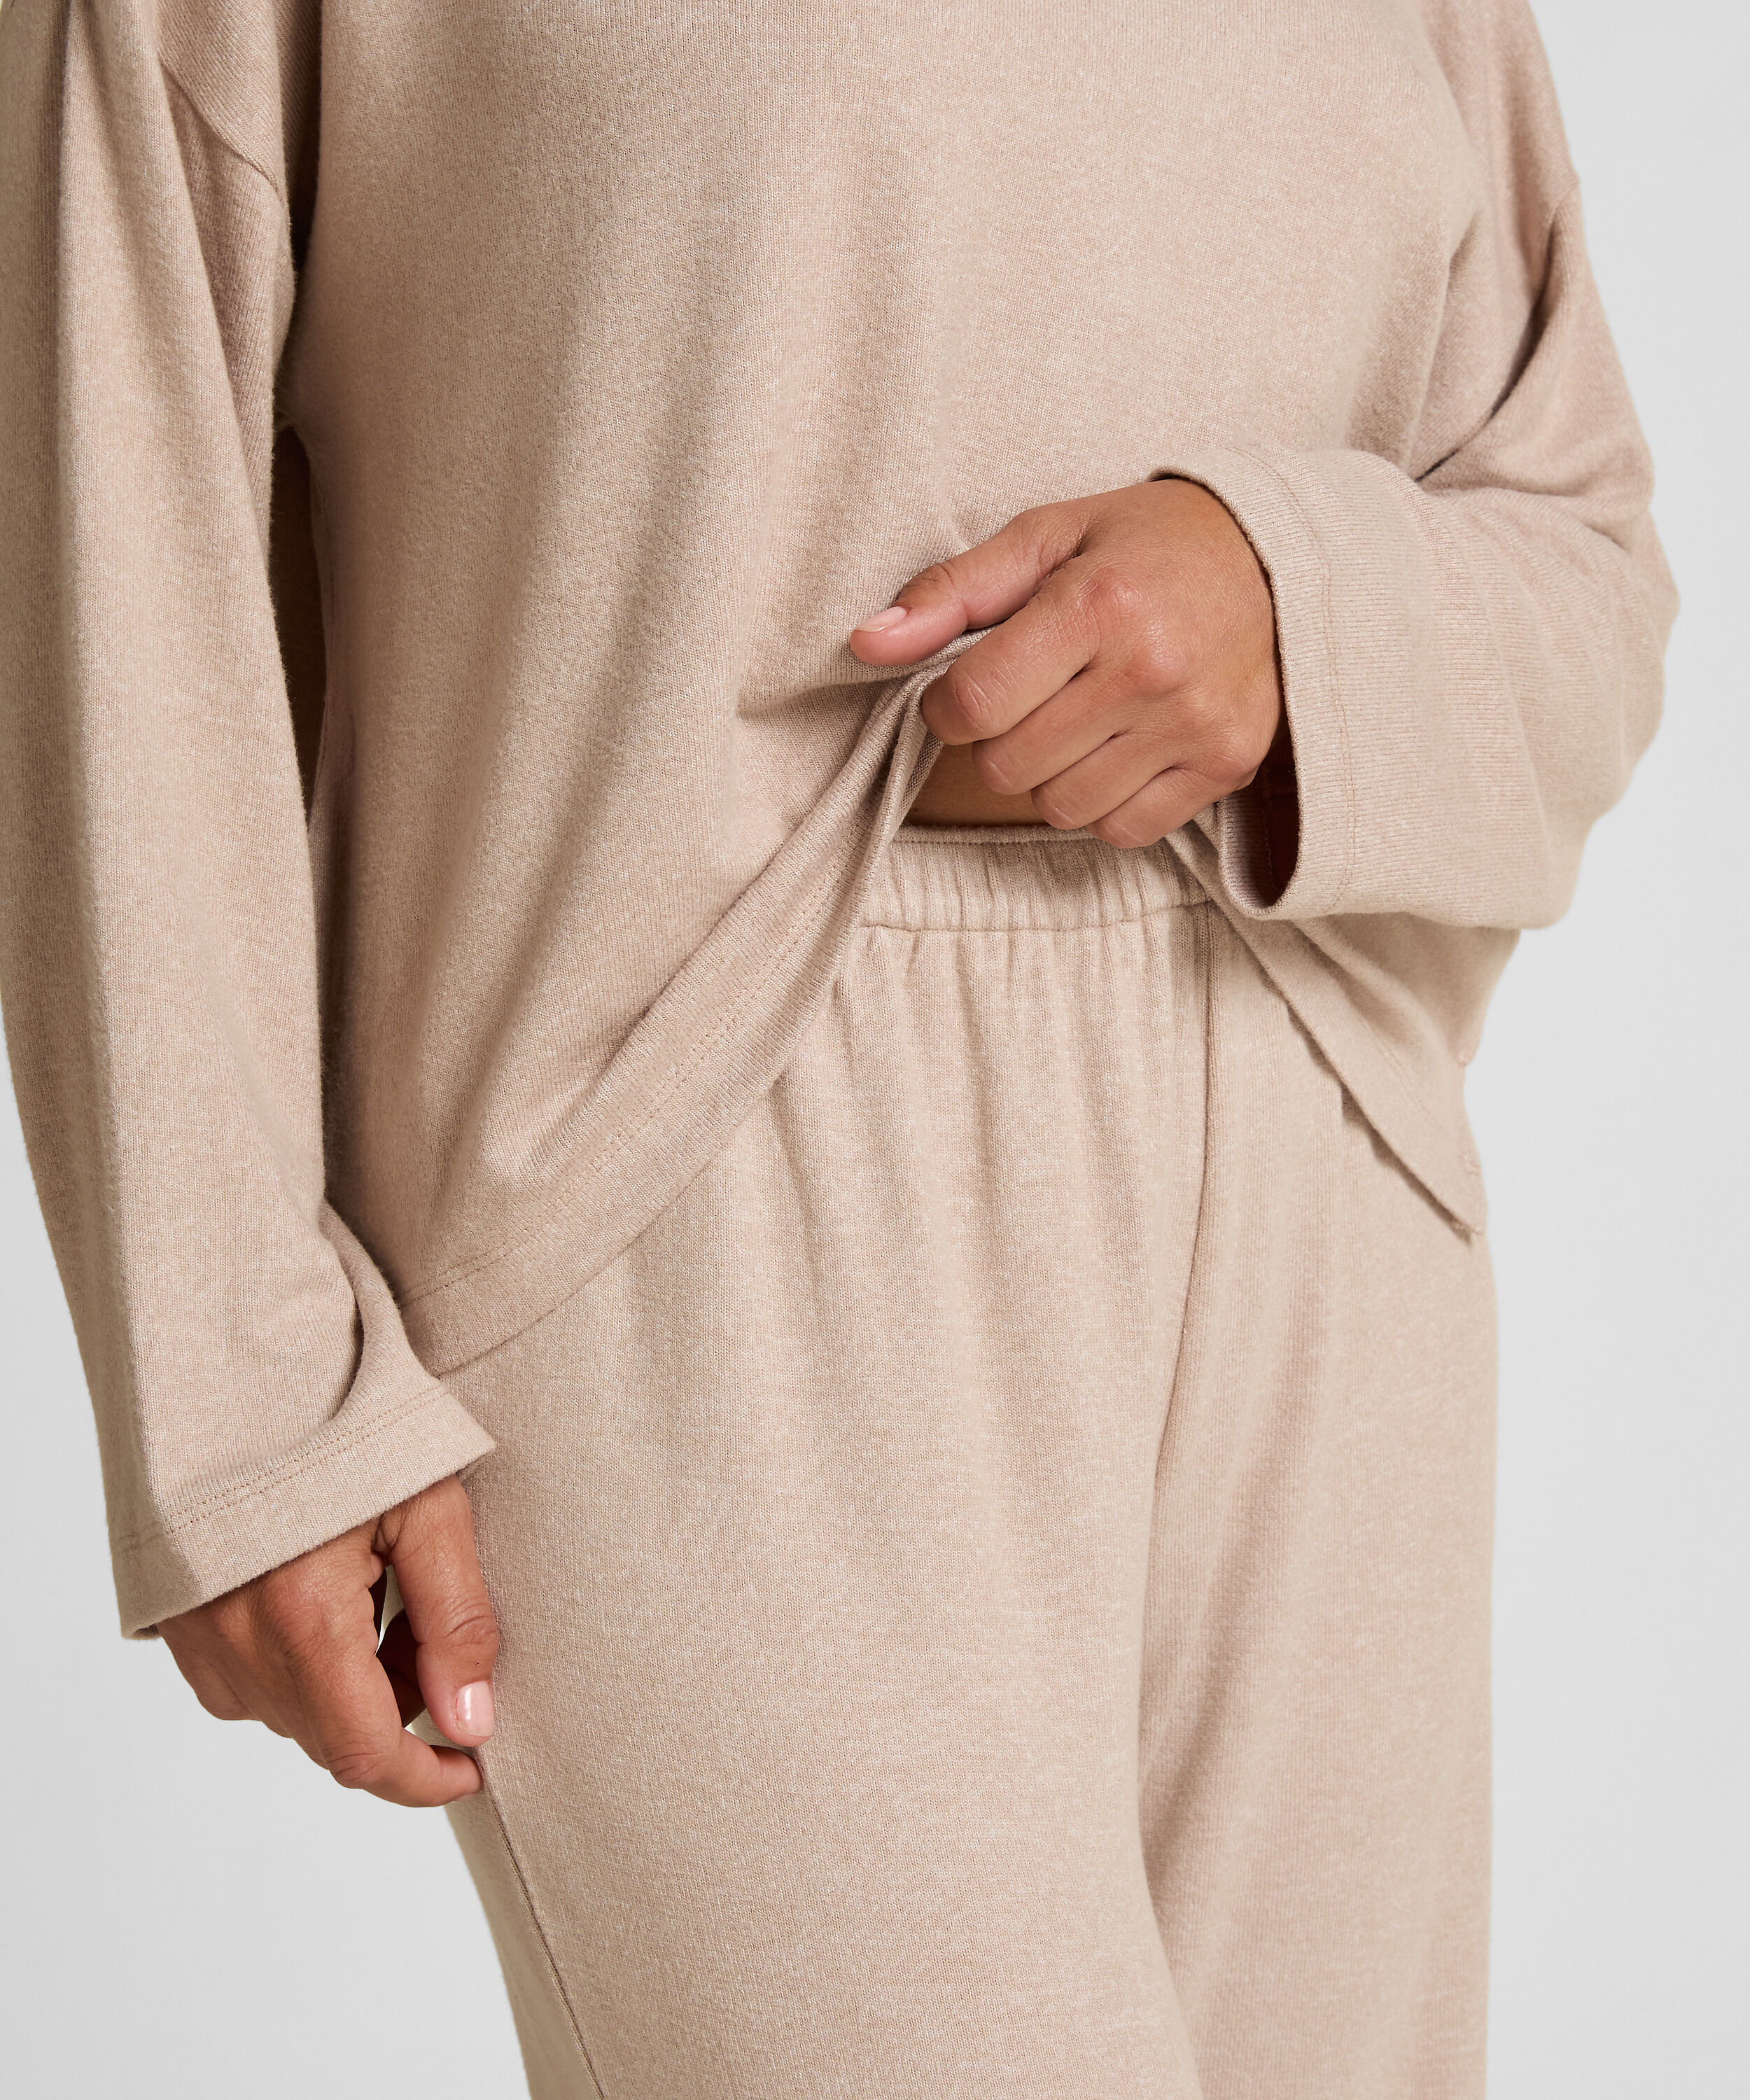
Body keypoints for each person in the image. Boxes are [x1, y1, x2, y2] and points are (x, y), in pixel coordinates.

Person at [0, 1, 1674, 2094]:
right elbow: (112, 496)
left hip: (1327, 1144)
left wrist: (1291, 601)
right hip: (686, 1173)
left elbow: (1588, 566)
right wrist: (236, 1395)